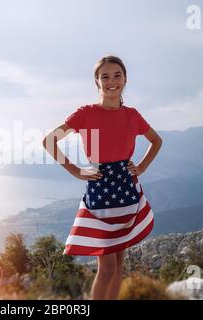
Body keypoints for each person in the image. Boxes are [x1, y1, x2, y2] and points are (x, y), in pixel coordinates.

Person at [42, 55, 162, 300]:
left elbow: (156, 141)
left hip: (127, 191)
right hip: (100, 191)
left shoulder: (132, 115)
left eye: (117, 75)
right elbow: (49, 140)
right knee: (106, 267)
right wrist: (76, 170)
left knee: (118, 264)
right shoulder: (86, 113)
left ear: (125, 79)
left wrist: (142, 166)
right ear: (97, 82)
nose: (112, 81)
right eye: (105, 76)